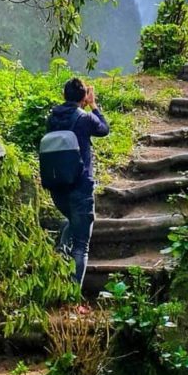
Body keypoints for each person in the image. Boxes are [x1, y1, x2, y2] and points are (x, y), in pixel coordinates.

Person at [46, 76, 110, 288]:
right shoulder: (84, 118)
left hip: (57, 187)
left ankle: (60, 250)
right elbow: (103, 129)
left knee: (71, 222)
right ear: (83, 96)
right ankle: (72, 296)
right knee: (82, 246)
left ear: (64, 96)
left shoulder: (52, 118)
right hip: (80, 187)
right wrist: (93, 105)